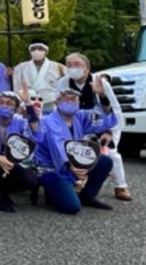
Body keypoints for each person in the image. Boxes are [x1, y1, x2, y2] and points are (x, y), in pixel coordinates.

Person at [57, 52, 131, 201]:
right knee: (75, 152)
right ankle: (77, 182)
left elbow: (113, 108)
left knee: (111, 153)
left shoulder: (100, 82)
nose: (73, 68)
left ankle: (120, 186)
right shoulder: (63, 82)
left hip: (100, 123)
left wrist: (109, 131)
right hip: (76, 124)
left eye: (77, 64)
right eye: (69, 65)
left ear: (87, 67)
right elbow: (59, 104)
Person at [33, 84, 118, 213]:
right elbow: (58, 147)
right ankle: (53, 193)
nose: (70, 102)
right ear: (56, 102)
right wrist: (71, 165)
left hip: (73, 162)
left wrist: (102, 96)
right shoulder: (49, 121)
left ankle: (87, 196)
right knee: (71, 207)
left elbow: (101, 115)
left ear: (78, 103)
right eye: (65, 99)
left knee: (105, 162)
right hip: (51, 168)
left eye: (73, 99)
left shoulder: (79, 116)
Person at [0, 89, 41, 212]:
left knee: (31, 181)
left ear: (17, 108)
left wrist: (28, 104)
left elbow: (35, 130)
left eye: (9, 103)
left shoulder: (21, 123)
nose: (4, 106)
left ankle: (5, 191)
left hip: (13, 161)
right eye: (1, 102)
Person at [11, 42, 64, 114]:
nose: (36, 51)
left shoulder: (58, 67)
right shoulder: (20, 67)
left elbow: (64, 87)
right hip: (27, 104)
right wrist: (20, 104)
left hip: (51, 105)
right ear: (30, 52)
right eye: (33, 49)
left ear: (46, 52)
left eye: (40, 48)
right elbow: (16, 87)